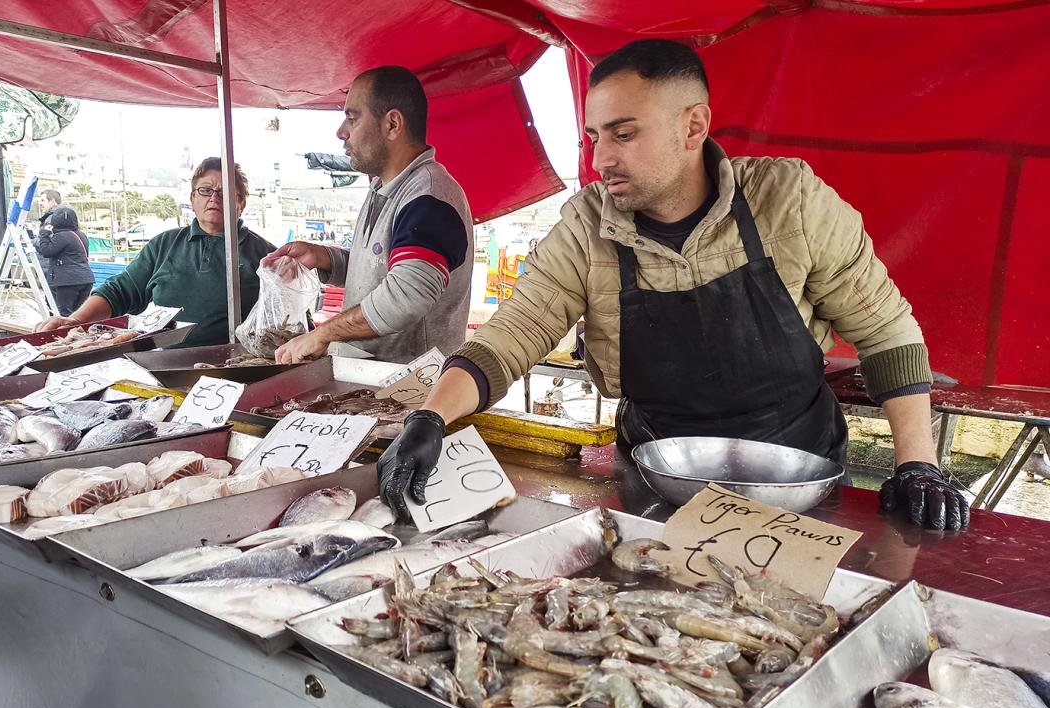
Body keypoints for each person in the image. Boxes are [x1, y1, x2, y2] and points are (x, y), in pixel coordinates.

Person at [378, 39, 969, 532]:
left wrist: (917, 464)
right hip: (654, 480)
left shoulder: (789, 203)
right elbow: (510, 337)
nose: (600, 159)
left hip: (795, 480)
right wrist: (430, 418)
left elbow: (886, 332)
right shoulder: (586, 228)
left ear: (694, 126)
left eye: (623, 134)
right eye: (594, 137)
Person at [267, 65, 472, 365]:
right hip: (370, 378)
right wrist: (325, 258)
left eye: (352, 118)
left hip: (412, 385)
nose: (341, 132)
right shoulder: (382, 187)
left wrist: (324, 334)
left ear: (392, 125)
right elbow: (383, 269)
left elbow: (405, 296)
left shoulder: (429, 197)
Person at [35, 158, 273, 347]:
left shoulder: (266, 255)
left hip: (239, 366)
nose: (214, 198)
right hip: (165, 365)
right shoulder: (164, 244)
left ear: (241, 204)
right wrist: (76, 320)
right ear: (192, 198)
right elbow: (120, 290)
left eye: (225, 192)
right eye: (205, 190)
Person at [36, 205, 95, 315]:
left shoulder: (62, 236)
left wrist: (44, 234)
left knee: (65, 314)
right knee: (80, 314)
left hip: (68, 281)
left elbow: (46, 251)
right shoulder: (81, 235)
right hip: (86, 279)